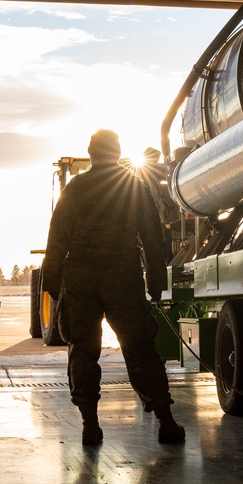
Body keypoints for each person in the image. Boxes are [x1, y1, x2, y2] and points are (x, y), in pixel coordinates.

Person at [41, 129, 185, 445]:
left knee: (82, 350)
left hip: (81, 277)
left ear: (91, 154)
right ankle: (165, 422)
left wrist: (51, 281)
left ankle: (89, 425)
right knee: (140, 348)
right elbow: (152, 236)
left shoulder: (76, 188)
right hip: (123, 274)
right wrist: (157, 281)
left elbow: (57, 238)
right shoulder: (134, 186)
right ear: (117, 153)